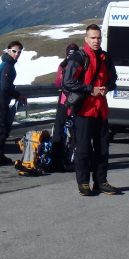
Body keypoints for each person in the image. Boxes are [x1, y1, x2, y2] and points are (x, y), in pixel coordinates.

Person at [61, 24, 119, 196]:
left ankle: (101, 182)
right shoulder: (79, 57)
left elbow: (113, 79)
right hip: (84, 111)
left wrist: (107, 87)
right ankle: (83, 182)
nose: (96, 40)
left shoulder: (106, 57)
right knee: (83, 148)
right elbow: (67, 82)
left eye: (98, 37)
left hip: (101, 110)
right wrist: (90, 89)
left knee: (103, 149)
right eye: (93, 38)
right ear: (86, 39)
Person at [50, 42, 80, 170]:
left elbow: (58, 82)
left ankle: (56, 160)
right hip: (76, 102)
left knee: (58, 130)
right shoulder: (80, 64)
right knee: (75, 132)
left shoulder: (62, 65)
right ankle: (72, 159)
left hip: (63, 102)